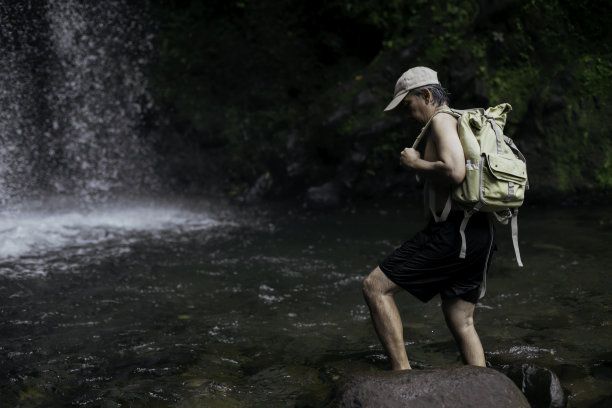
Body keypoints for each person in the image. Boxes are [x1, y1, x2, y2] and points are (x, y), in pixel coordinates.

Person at [362, 66, 495, 370]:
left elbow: (455, 170)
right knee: (461, 319)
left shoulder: (442, 121)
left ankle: (402, 374)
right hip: (479, 233)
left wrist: (416, 162)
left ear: (425, 94)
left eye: (408, 104)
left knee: (375, 287)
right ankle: (484, 386)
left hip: (453, 233)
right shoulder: (461, 119)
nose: (409, 113)